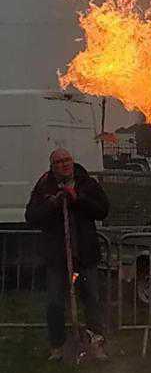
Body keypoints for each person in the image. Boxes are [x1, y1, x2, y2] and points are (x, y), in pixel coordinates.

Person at [25, 148, 110, 360]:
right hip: (57, 256)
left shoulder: (86, 183)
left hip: (85, 253)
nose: (65, 164)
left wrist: (78, 199)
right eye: (59, 162)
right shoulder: (44, 186)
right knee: (55, 302)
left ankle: (96, 343)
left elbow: (103, 210)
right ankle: (58, 347)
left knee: (91, 299)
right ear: (52, 166)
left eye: (67, 160)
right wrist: (52, 203)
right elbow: (31, 216)